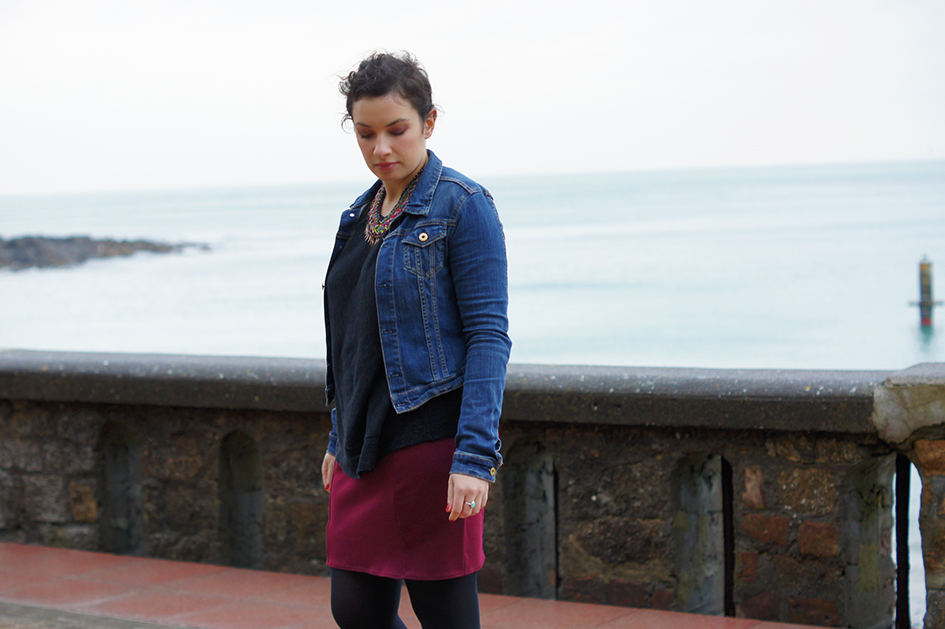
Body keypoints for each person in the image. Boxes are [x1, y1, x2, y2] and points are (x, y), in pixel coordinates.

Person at [320, 51, 511, 629]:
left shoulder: (463, 206)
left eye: (396, 130)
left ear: (429, 123)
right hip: (363, 445)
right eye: (366, 134)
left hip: (432, 444)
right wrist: (338, 433)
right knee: (355, 610)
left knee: (445, 616)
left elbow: (488, 336)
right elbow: (352, 339)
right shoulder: (359, 215)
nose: (381, 148)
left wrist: (474, 458)